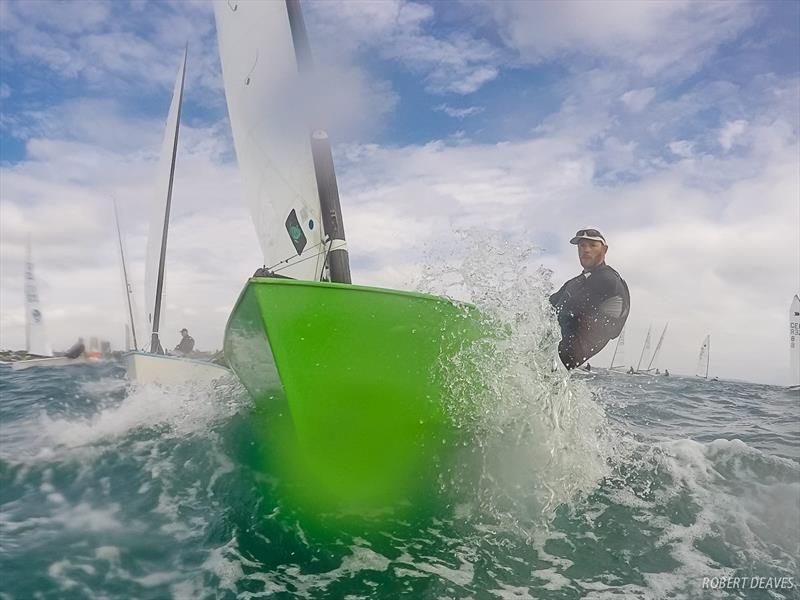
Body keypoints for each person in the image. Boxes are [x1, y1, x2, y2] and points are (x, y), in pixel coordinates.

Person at [549, 227, 630, 369]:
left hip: (563, 356)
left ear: (604, 250)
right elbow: (549, 304)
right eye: (582, 246)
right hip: (558, 356)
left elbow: (564, 309)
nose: (586, 250)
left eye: (592, 245)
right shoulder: (576, 281)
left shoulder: (608, 280)